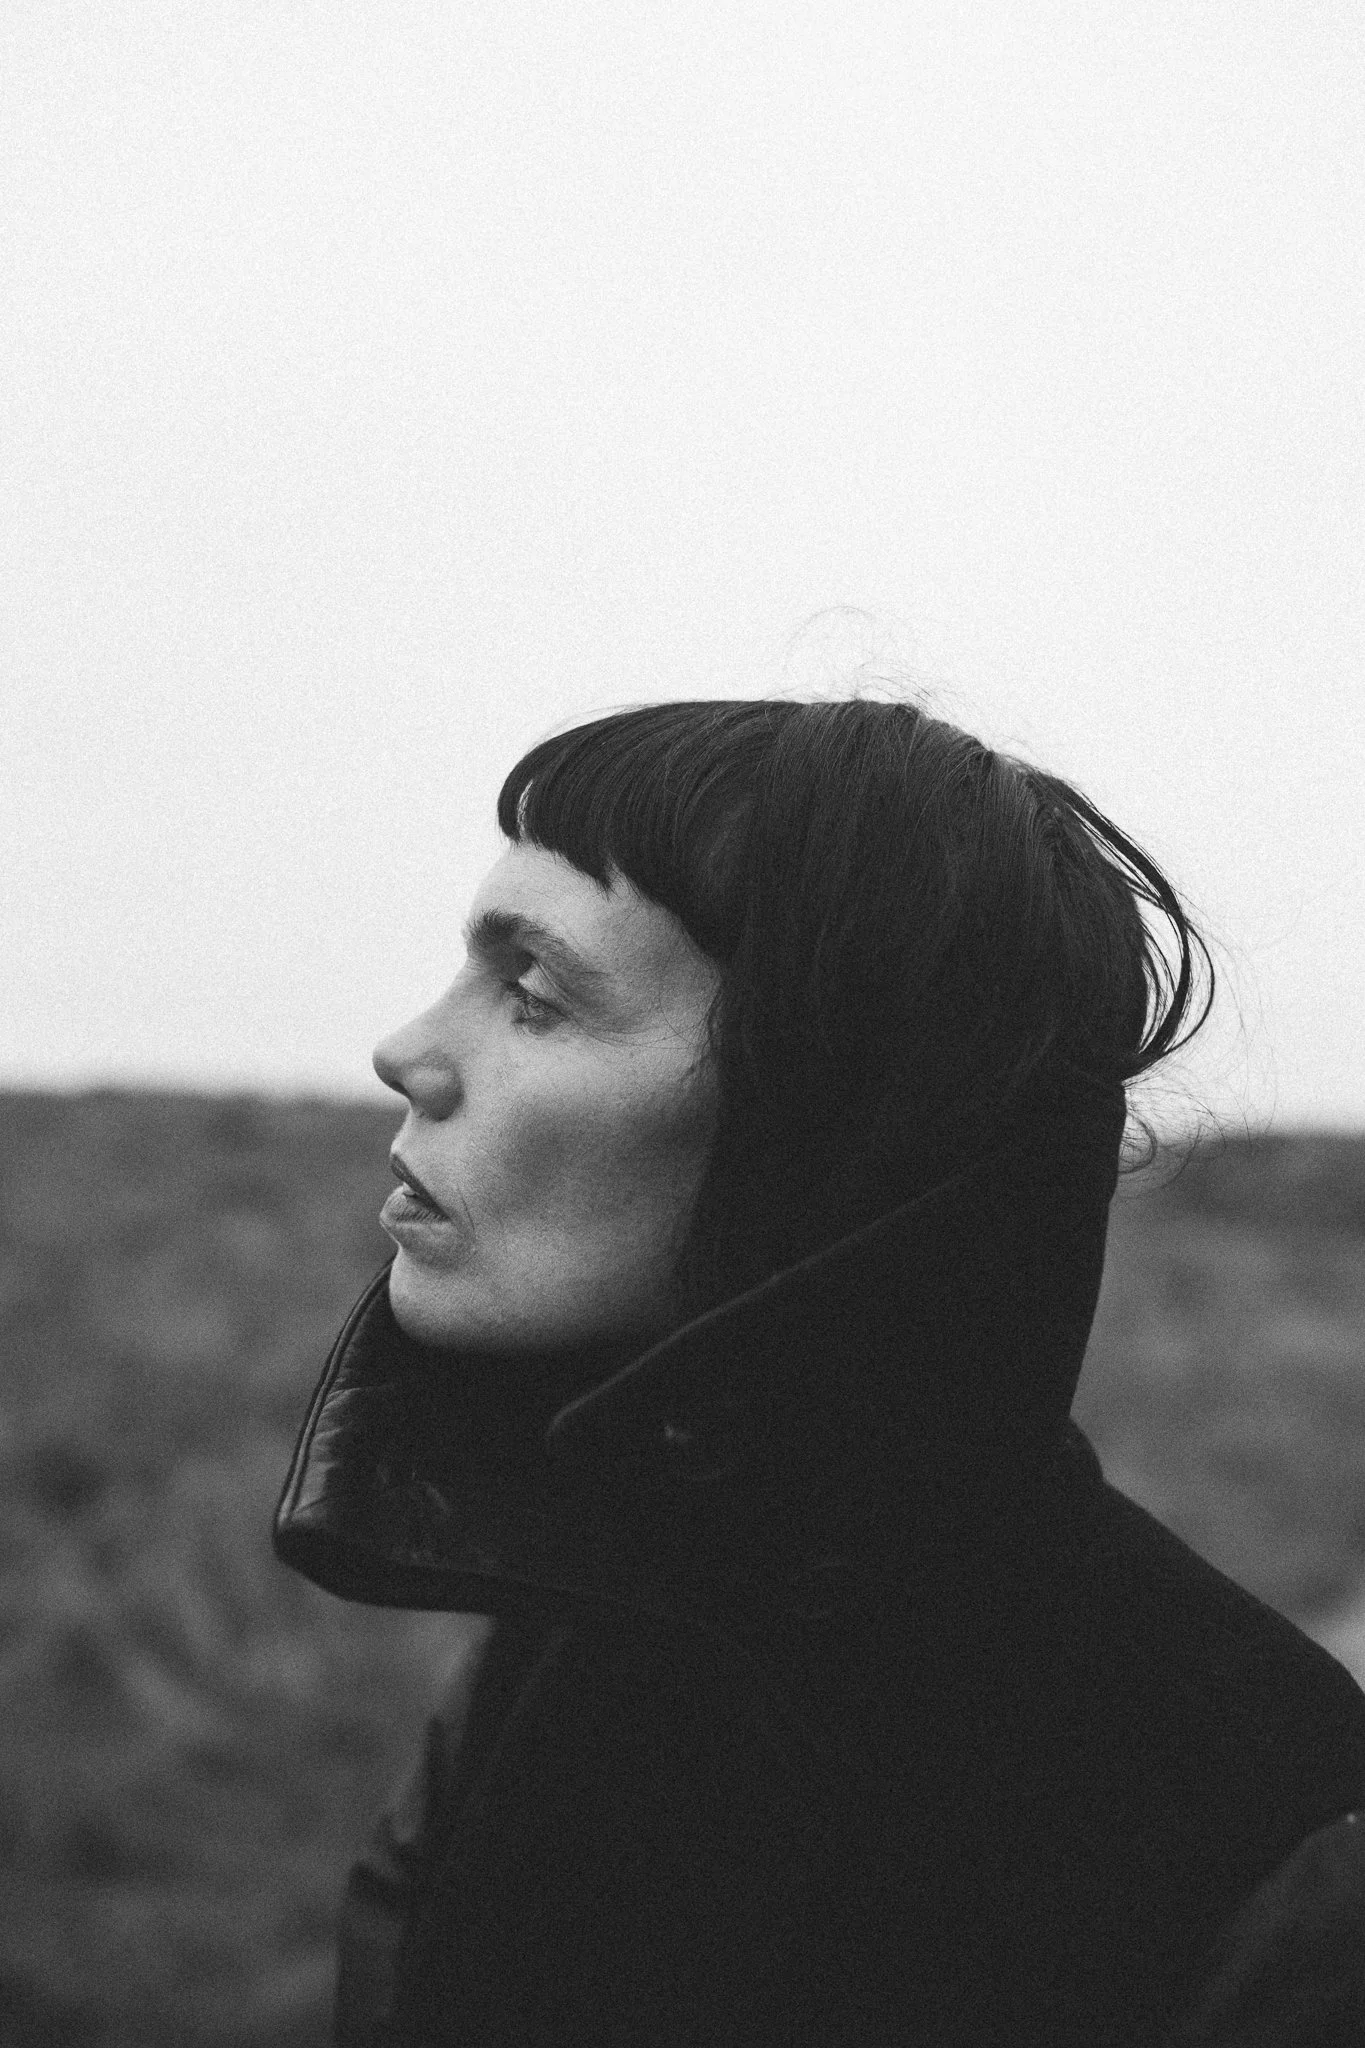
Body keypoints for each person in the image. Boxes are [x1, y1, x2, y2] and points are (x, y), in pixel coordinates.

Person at [274, 695, 1365, 2047]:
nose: (407, 1053)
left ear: (823, 1122)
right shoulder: (571, 1620)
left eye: (535, 997)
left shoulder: (1266, 1823)